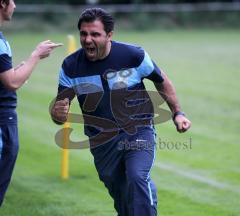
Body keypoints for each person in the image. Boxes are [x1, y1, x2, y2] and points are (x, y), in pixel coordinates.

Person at [51, 8, 191, 216]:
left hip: (138, 130)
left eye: (95, 34)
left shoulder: (133, 55)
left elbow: (162, 82)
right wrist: (58, 114)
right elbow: (60, 113)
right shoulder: (70, 66)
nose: (88, 39)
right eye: (84, 34)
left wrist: (177, 113)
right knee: (120, 192)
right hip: (101, 140)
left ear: (109, 35)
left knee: (136, 176)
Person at [0, 0, 62, 206]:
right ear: (2, 4)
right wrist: (36, 55)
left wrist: (19, 71)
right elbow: (12, 82)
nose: (15, 6)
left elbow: (8, 77)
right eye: (12, 1)